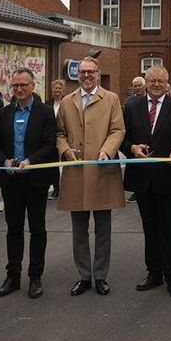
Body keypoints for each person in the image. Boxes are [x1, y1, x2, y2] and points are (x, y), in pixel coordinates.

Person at [121, 65, 171, 299]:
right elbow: (122, 138)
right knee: (149, 229)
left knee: (169, 229)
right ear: (145, 81)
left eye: (161, 81)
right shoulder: (131, 107)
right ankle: (154, 273)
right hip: (142, 179)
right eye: (152, 80)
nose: (157, 85)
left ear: (167, 82)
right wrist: (131, 147)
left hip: (168, 178)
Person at [56, 56, 125, 297]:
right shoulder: (67, 102)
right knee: (79, 229)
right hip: (76, 172)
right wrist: (65, 150)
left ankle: (101, 276)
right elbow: (60, 133)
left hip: (102, 170)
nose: (86, 76)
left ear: (98, 74)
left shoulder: (111, 99)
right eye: (82, 72)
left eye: (91, 72)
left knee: (103, 229)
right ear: (77, 75)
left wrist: (107, 151)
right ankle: (84, 275)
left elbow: (118, 130)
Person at [0, 68, 57, 299]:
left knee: (37, 229)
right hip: (11, 181)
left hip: (35, 180)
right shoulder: (5, 113)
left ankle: (35, 276)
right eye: (15, 85)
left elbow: (50, 145)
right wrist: (5, 160)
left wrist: (31, 160)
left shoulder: (45, 113)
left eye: (24, 85)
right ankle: (13, 277)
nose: (19, 89)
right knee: (13, 230)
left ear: (32, 86)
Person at [45, 79, 66, 200]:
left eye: (59, 88)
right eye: (55, 88)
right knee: (53, 164)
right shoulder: (47, 103)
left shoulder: (67, 102)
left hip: (63, 136)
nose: (57, 90)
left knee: (65, 163)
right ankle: (55, 189)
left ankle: (66, 187)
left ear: (63, 90)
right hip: (51, 137)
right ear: (52, 89)